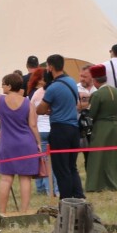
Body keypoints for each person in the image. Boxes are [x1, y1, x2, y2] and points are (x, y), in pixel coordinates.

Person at [0, 72, 40, 211]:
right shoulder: (28, 103)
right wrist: (39, 142)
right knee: (25, 179)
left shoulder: (0, 99)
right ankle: (24, 211)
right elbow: (33, 125)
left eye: (3, 84)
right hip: (26, 143)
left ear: (9, 86)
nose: (1, 87)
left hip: (7, 143)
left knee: (6, 179)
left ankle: (3, 212)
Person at [37, 55, 84, 199]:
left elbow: (40, 110)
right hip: (73, 129)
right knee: (72, 166)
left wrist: (49, 109)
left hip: (59, 129)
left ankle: (66, 199)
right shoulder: (71, 82)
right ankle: (79, 197)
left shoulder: (53, 88)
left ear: (50, 67)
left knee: (61, 168)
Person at [82, 64, 117, 192]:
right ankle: (116, 183)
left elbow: (92, 114)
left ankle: (94, 185)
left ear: (95, 80)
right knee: (112, 157)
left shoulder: (98, 95)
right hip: (113, 126)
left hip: (101, 127)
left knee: (96, 157)